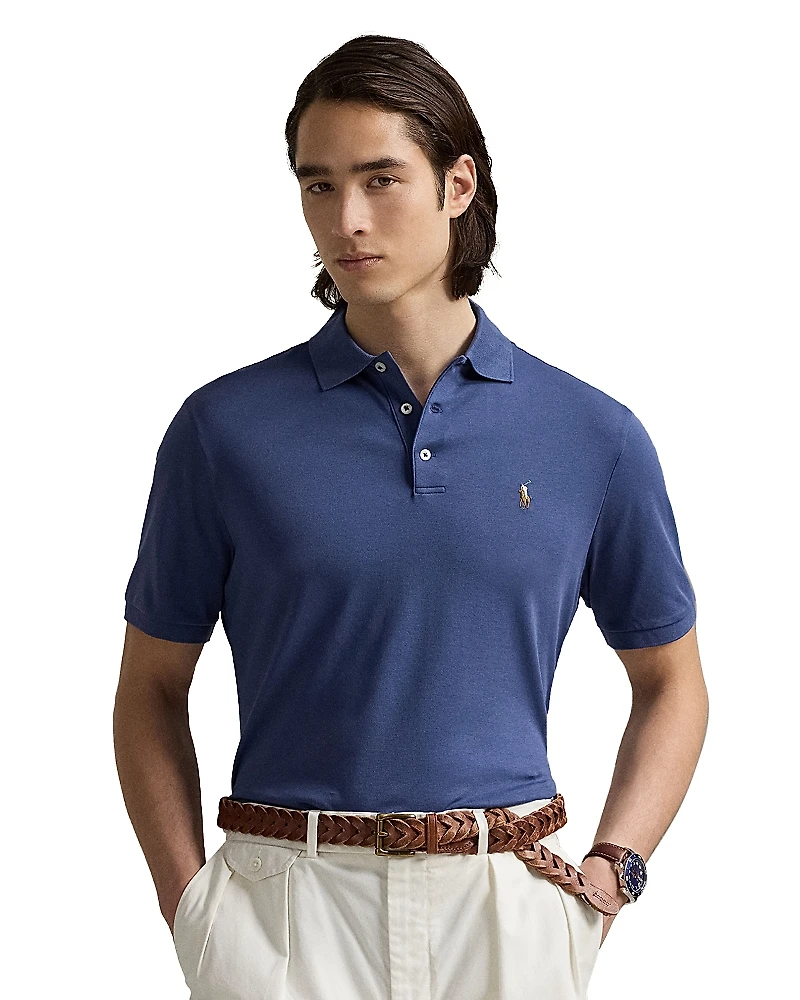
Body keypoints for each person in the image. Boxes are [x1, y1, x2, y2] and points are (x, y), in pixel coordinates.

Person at [113, 34, 708, 1000]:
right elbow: (149, 687)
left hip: (507, 911)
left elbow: (672, 681)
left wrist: (614, 870)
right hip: (284, 911)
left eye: (381, 179)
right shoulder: (222, 431)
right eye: (318, 185)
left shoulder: (593, 436)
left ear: (457, 185)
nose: (346, 219)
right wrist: (192, 910)